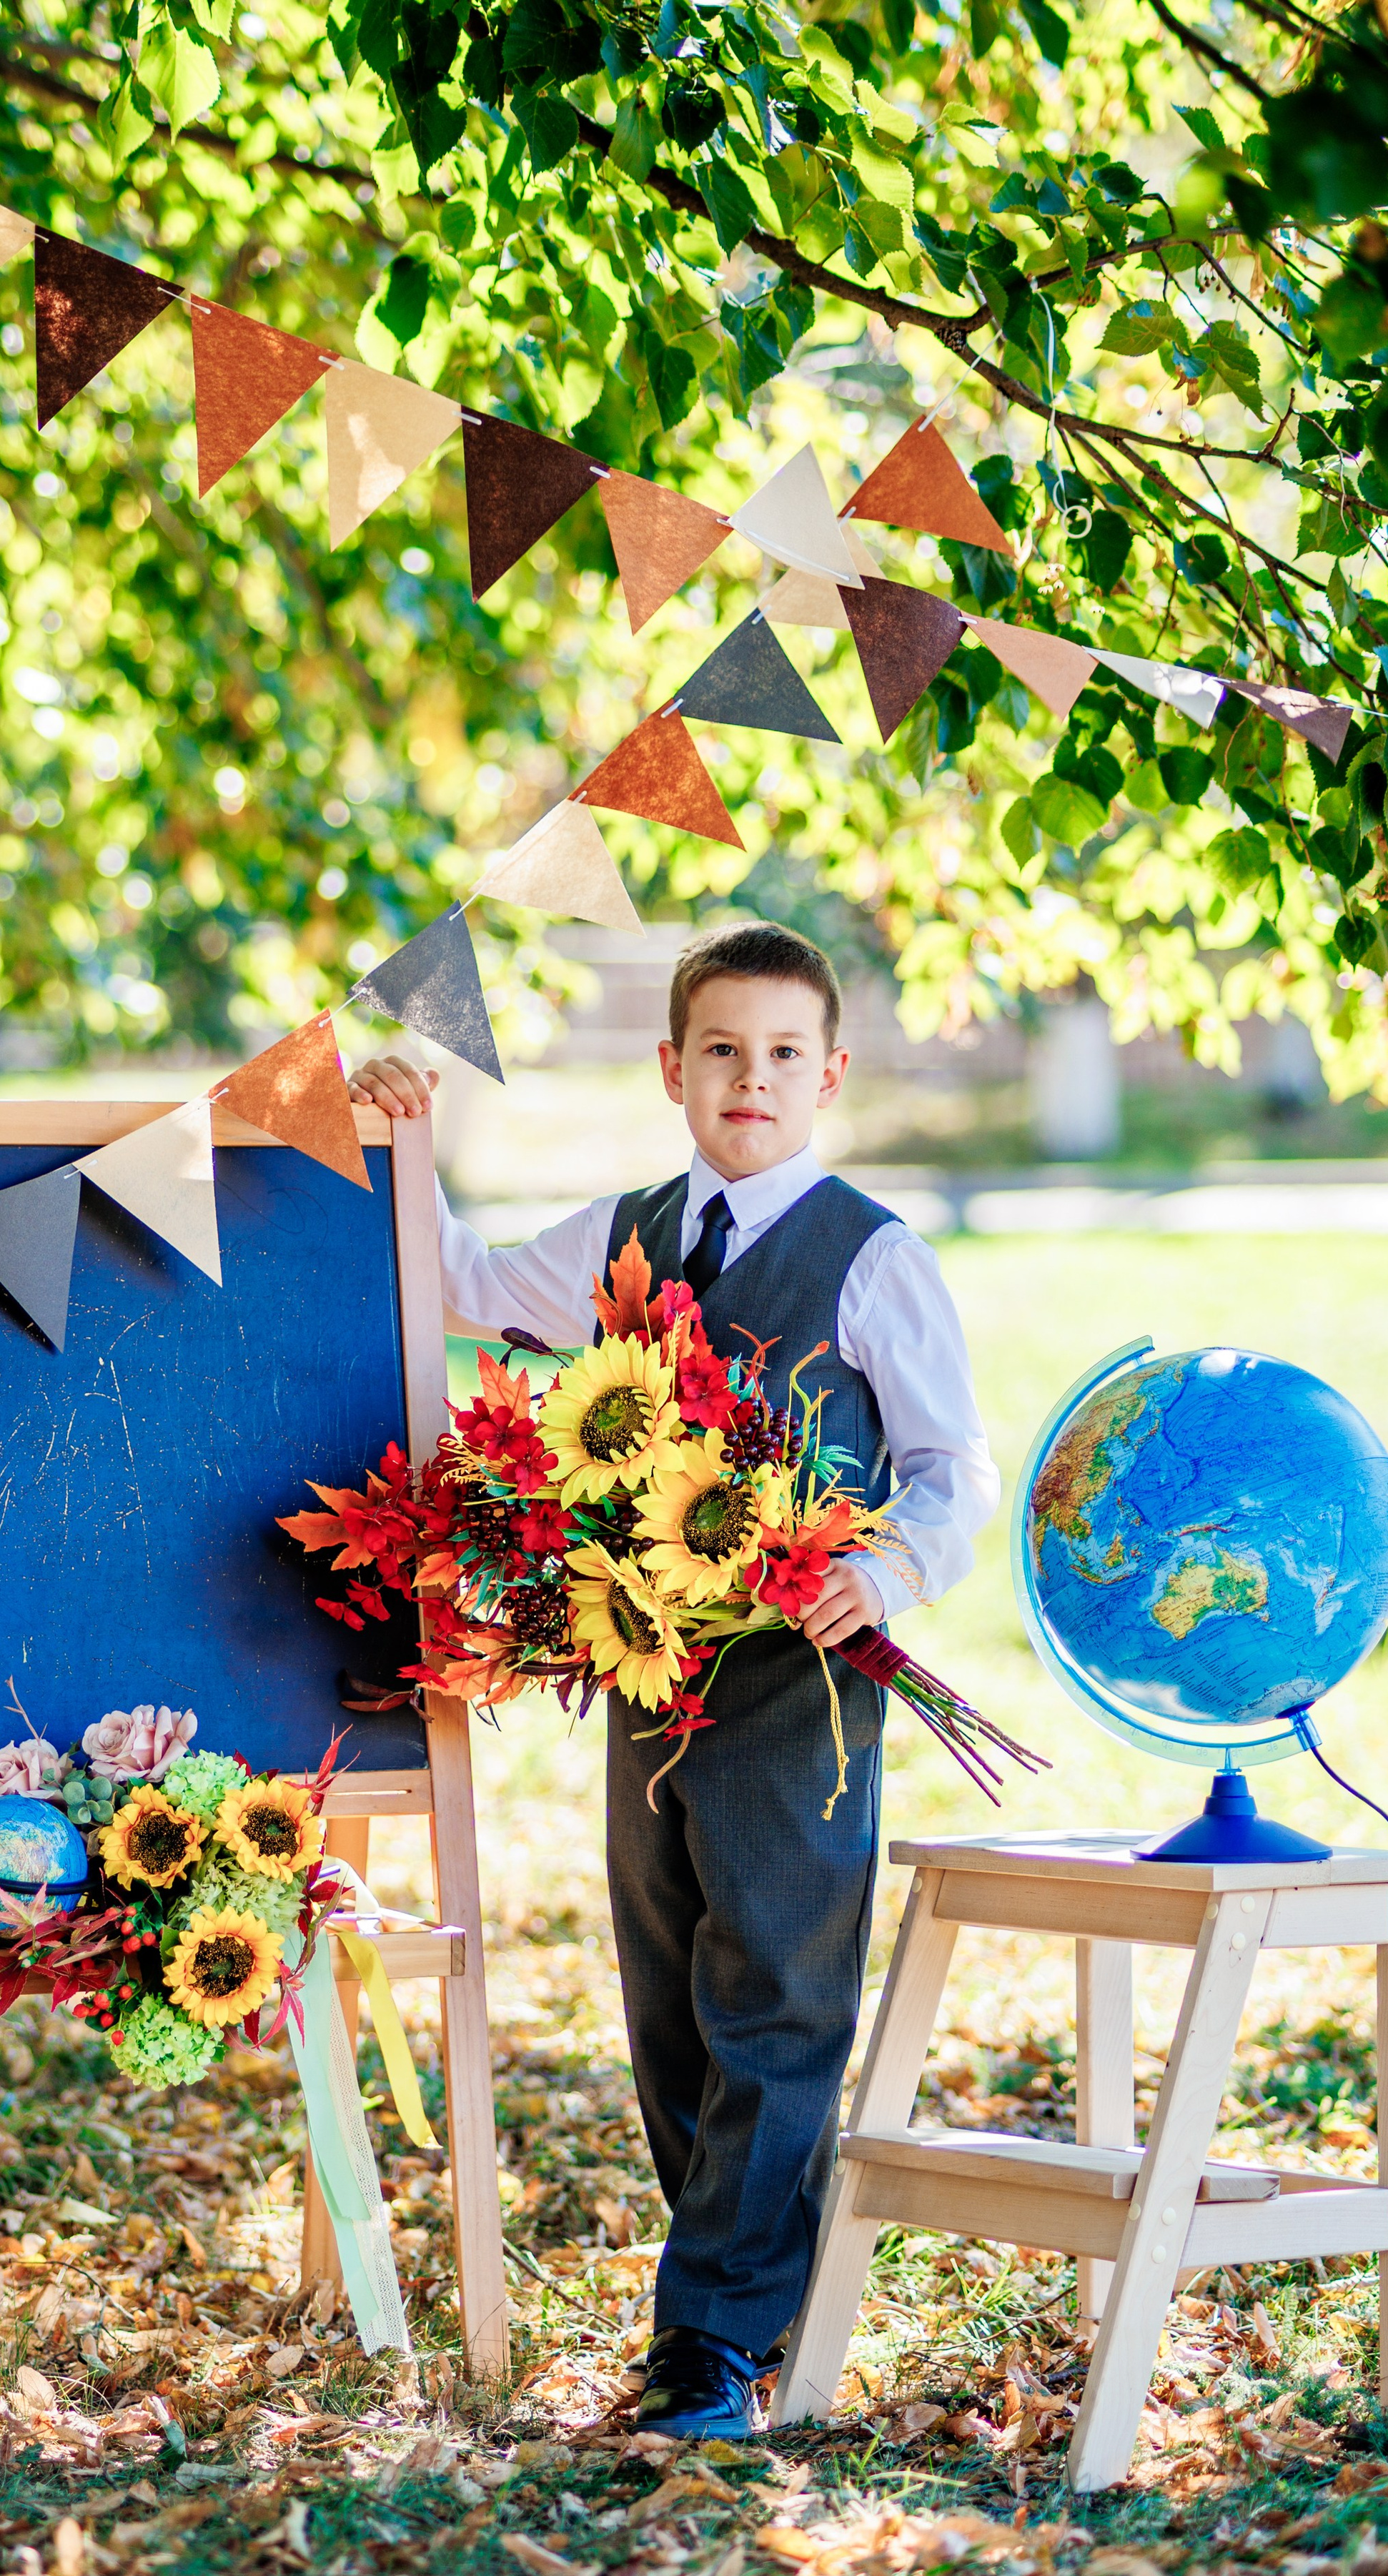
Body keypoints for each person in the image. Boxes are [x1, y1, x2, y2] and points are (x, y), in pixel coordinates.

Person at [348, 921, 998, 2439]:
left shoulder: (867, 1253)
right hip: (645, 1665)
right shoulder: (628, 1230)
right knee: (668, 1992)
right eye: (720, 1049)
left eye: (781, 1053)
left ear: (828, 1074)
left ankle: (709, 2335)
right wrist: (408, 1139)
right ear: (671, 1070)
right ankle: (751, 2290)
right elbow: (464, 1286)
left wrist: (889, 1569)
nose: (749, 1077)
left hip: (800, 1675)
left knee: (775, 1988)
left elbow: (948, 1464)